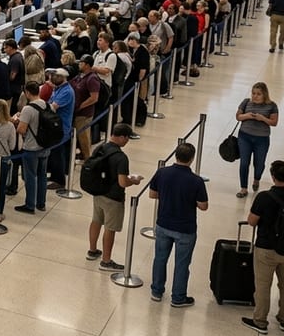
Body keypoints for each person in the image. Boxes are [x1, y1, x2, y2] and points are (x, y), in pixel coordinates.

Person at [243, 161, 284, 334]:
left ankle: (260, 321)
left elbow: (252, 221)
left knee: (263, 285)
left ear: (273, 177)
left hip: (266, 248)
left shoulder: (264, 197)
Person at [148, 142, 208, 307]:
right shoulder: (196, 181)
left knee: (160, 258)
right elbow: (203, 206)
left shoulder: (162, 173)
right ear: (192, 159)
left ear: (176, 155)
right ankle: (178, 297)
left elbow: (152, 194)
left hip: (163, 223)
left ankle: (156, 291)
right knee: (182, 263)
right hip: (185, 228)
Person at [85, 124, 140, 272]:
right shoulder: (121, 158)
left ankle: (92, 250)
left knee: (96, 220)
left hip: (98, 192)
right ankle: (106, 261)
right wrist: (133, 180)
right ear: (122, 137)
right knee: (110, 228)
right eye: (127, 139)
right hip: (113, 198)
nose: (127, 142)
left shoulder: (100, 148)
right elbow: (122, 182)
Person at [235, 82, 279, 198]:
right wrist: (247, 116)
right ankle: (243, 188)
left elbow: (274, 122)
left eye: (258, 94)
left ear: (264, 94)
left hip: (262, 139)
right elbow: (238, 116)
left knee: (259, 164)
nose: (255, 96)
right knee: (244, 163)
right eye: (253, 93)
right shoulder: (246, 102)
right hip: (245, 136)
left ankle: (256, 179)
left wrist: (263, 118)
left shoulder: (272, 105)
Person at [13, 81, 51, 214]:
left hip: (31, 147)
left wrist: (17, 121)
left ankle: (30, 205)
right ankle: (41, 203)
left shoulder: (28, 109)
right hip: (45, 146)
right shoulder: (48, 105)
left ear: (27, 93)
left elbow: (22, 130)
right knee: (42, 175)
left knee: (31, 176)